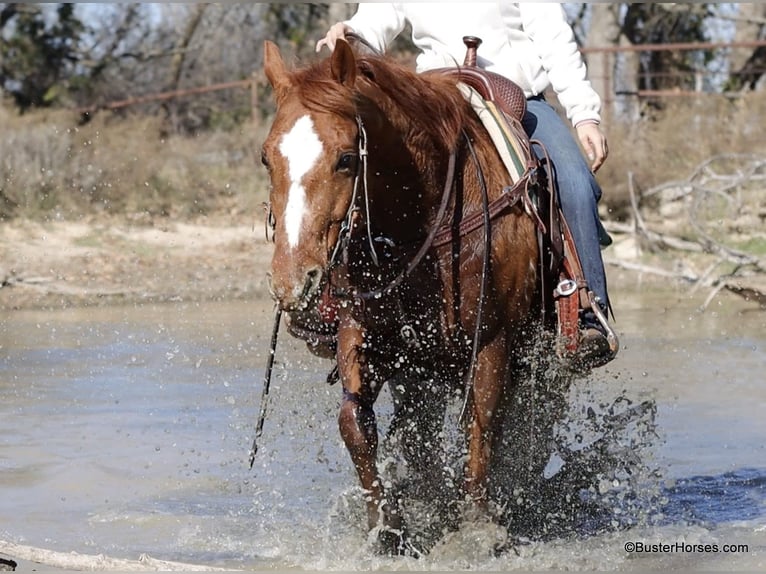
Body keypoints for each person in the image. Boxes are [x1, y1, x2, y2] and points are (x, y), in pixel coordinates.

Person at [316, 3, 615, 366]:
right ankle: (338, 308)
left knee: (574, 180)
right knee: (365, 167)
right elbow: (380, 16)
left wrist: (584, 114)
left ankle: (585, 313)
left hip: (518, 99)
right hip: (434, 97)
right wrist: (351, 31)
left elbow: (553, 35)